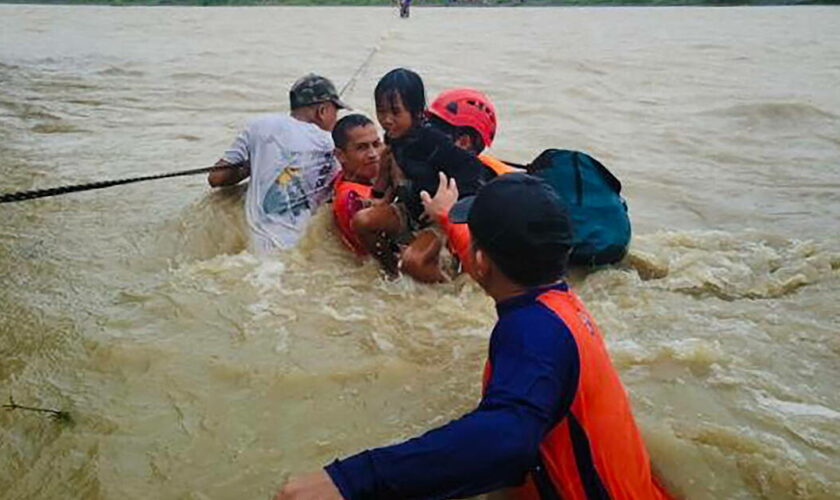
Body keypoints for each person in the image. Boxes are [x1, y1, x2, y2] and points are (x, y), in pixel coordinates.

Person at [275, 173, 671, 500]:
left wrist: (350, 481)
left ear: (480, 262)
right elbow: (475, 249)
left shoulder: (533, 332)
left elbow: (505, 441)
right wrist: (447, 217)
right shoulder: (560, 304)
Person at [351, 68, 488, 282]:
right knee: (362, 221)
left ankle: (445, 290)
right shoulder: (394, 136)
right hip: (410, 210)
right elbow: (393, 167)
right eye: (381, 111)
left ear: (416, 112)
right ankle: (391, 275)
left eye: (395, 112)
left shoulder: (434, 142)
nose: (386, 120)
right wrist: (383, 199)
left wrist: (448, 209)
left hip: (439, 219)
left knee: (412, 261)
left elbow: (474, 172)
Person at [208, 73, 348, 253]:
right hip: (298, 250)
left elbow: (216, 178)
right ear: (322, 111)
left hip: (256, 246)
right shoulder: (333, 144)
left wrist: (255, 165)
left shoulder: (259, 126)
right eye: (335, 111)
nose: (336, 118)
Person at [331, 114, 383, 256]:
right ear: (340, 155)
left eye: (376, 144)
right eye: (362, 148)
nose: (373, 154)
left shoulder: (344, 179)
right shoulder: (352, 199)